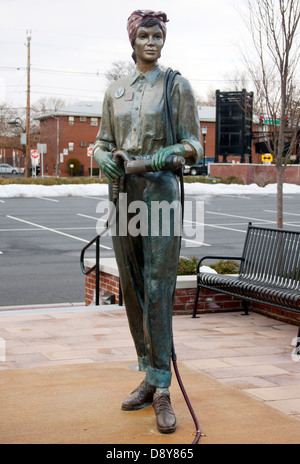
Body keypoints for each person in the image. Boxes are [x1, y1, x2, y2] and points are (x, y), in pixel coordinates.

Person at [93, 9, 202, 434]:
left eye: (158, 35)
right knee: (133, 286)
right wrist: (102, 156)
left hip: (159, 194)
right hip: (122, 194)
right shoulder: (114, 92)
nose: (152, 42)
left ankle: (162, 387)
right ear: (132, 41)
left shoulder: (176, 86)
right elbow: (103, 141)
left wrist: (156, 158)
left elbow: (193, 142)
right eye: (144, 36)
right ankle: (148, 372)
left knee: (159, 287)